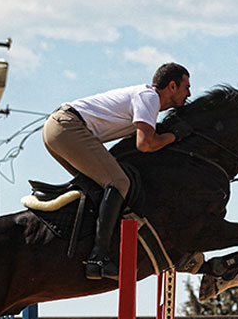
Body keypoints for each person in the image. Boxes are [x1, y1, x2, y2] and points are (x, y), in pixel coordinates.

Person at [43, 62, 193, 281]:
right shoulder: (150, 97)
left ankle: (90, 251)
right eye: (186, 86)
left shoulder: (145, 100)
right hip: (68, 127)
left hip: (59, 129)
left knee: (101, 187)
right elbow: (144, 144)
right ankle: (98, 256)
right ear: (172, 86)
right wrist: (174, 136)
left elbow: (132, 142)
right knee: (118, 182)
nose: (189, 93)